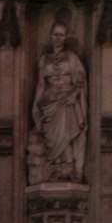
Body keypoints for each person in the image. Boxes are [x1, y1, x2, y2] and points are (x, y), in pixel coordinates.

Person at [27, 20, 87, 185]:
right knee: (50, 139)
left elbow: (81, 80)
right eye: (55, 35)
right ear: (50, 36)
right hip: (49, 102)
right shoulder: (44, 59)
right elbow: (41, 84)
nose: (58, 39)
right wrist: (35, 106)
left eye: (61, 35)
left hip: (67, 101)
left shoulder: (72, 57)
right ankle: (52, 169)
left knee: (66, 136)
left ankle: (67, 170)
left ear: (65, 37)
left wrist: (74, 94)